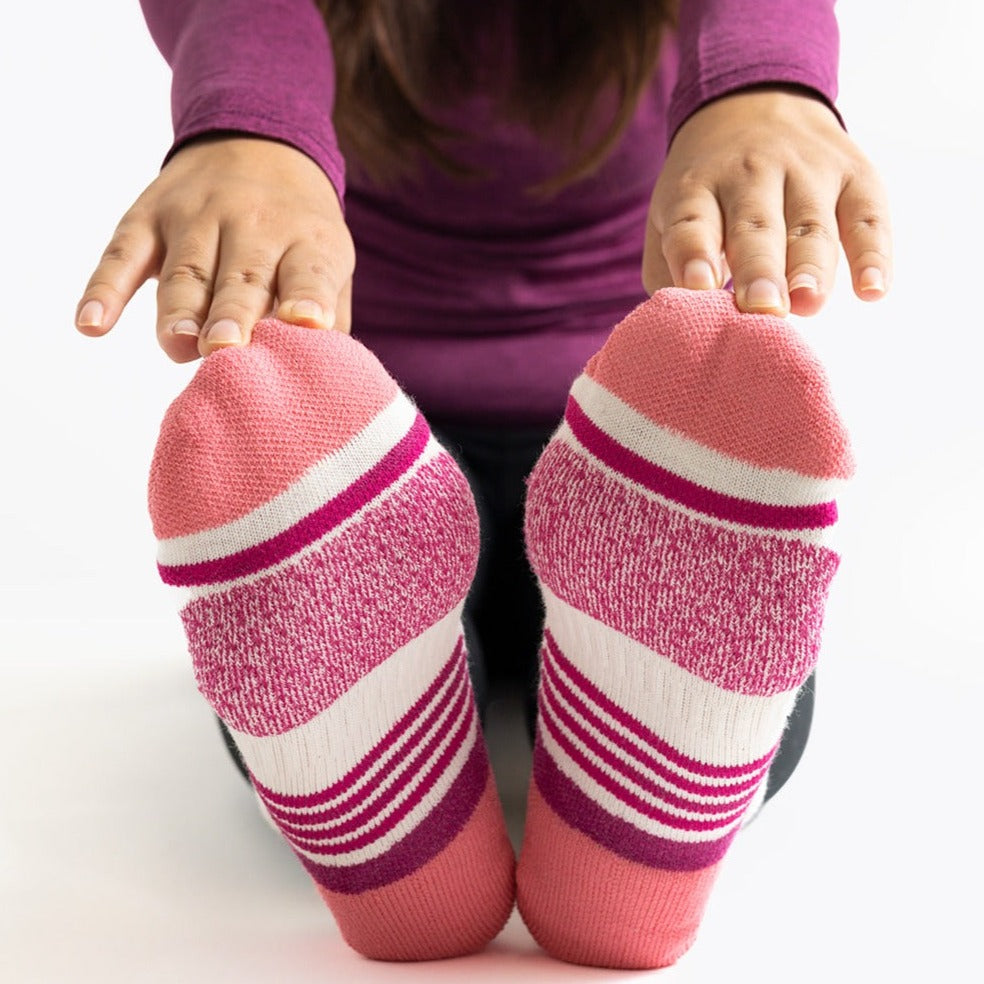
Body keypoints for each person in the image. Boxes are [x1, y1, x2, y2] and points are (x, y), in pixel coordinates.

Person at [75, 0, 891, 970]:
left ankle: (396, 813)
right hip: (381, 443)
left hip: (628, 428)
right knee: (357, 580)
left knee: (353, 652)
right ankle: (630, 802)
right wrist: (255, 130)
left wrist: (761, 82)